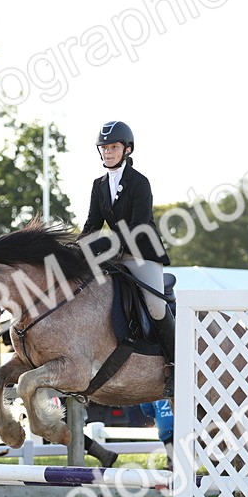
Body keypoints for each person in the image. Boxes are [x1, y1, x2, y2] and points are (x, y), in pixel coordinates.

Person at [80, 120, 174, 362]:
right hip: (115, 254)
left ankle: (176, 362)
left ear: (127, 149)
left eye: (113, 148)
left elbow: (139, 225)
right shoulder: (98, 185)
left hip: (143, 253)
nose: (108, 152)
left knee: (155, 305)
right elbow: (92, 224)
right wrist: (76, 248)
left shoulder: (140, 182)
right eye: (104, 148)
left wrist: (107, 244)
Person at [139, 398, 174, 469]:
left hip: (164, 427)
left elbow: (145, 405)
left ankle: (171, 466)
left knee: (170, 450)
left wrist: (156, 415)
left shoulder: (155, 392)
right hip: (179, 424)